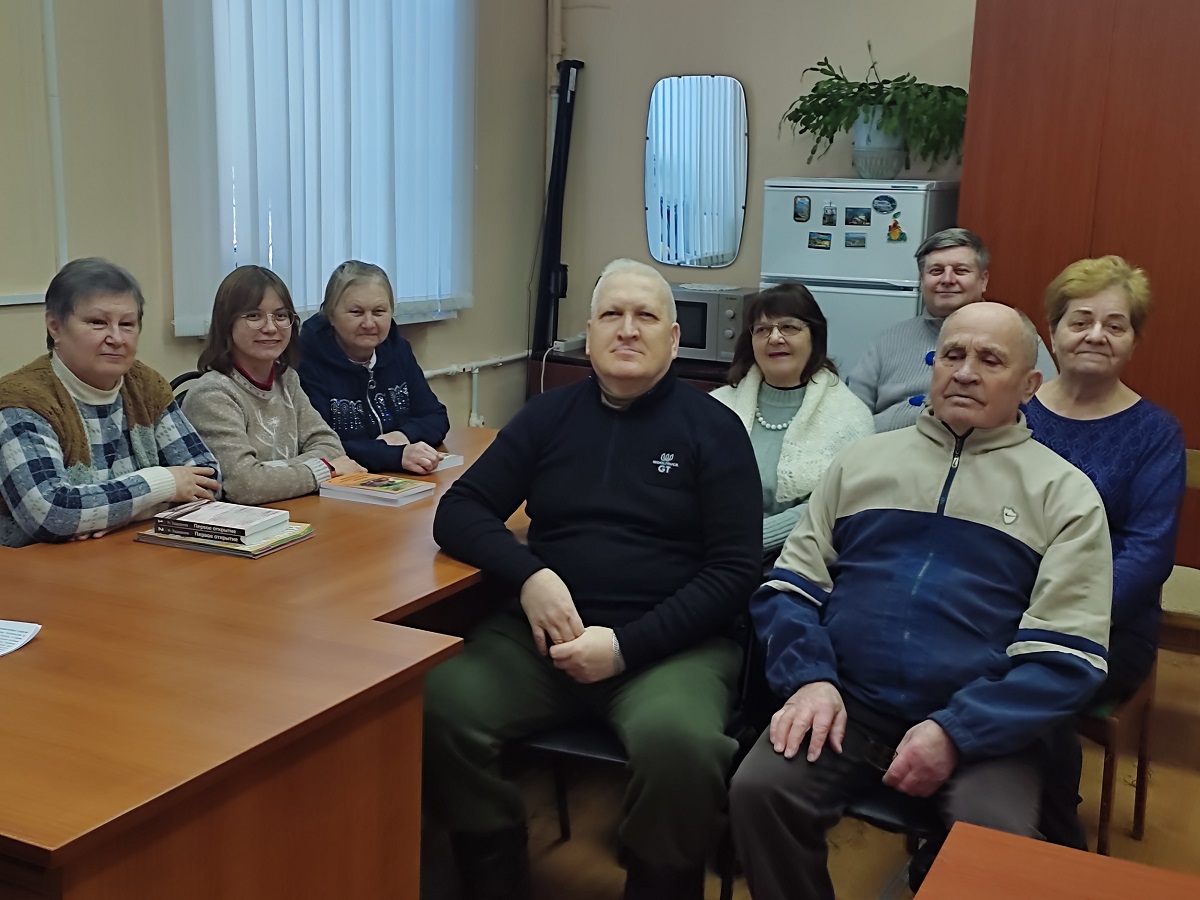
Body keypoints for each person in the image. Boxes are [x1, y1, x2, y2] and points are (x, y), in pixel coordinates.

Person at [729, 302, 1113, 900]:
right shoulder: (861, 463)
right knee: (759, 791)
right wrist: (810, 680)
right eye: (952, 355)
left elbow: (1068, 658)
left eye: (990, 360)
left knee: (995, 845)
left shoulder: (1064, 495)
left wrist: (955, 732)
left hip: (984, 728)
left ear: (1029, 385)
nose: (965, 372)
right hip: (847, 701)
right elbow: (789, 587)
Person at [425, 258, 761, 900]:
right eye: (612, 314)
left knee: (682, 746)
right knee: (438, 703)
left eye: (645, 316)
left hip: (671, 649)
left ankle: (660, 885)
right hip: (541, 640)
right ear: (589, 332)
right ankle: (493, 870)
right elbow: (459, 510)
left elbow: (735, 571)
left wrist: (626, 647)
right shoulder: (547, 417)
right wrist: (529, 576)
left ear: (674, 338)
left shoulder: (714, 429)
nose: (627, 330)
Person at [1026, 256, 1186, 848]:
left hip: (1107, 624)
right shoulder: (1015, 411)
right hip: (1004, 601)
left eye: (1115, 325)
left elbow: (1149, 555)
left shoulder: (1156, 433)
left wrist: (1055, 614)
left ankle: (1052, 838)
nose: (1096, 335)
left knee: (1031, 681)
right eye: (1080, 321)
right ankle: (975, 829)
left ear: (1133, 341)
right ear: (1052, 333)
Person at [0, 258, 220, 548]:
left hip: (129, 552)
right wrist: (162, 483)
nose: (116, 338)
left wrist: (104, 515)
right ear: (55, 327)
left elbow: (209, 477)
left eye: (127, 324)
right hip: (37, 567)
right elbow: (52, 514)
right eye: (97, 323)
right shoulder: (22, 400)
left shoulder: (145, 384)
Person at [711, 283, 873, 558]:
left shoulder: (850, 419)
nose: (775, 338)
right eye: (762, 330)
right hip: (704, 546)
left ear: (815, 336)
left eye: (789, 327)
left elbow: (831, 506)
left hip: (794, 559)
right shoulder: (716, 405)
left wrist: (746, 543)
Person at [183, 266, 365, 505]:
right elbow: (245, 485)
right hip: (244, 523)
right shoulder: (211, 395)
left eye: (280, 316)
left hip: (294, 508)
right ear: (226, 323)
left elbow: (331, 447)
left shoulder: (286, 379)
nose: (270, 327)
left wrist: (269, 473)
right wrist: (325, 470)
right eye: (253, 316)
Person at [847, 227, 1056, 431]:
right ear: (922, 280)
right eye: (936, 271)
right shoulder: (888, 340)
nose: (947, 280)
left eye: (960, 270)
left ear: (983, 280)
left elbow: (1044, 417)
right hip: (885, 446)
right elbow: (852, 414)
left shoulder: (1020, 340)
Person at [298, 260, 449, 475]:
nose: (369, 323)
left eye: (379, 311)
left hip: (402, 477)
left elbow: (436, 417)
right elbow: (323, 447)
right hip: (342, 483)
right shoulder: (306, 362)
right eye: (356, 312)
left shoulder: (398, 350)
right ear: (331, 315)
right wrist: (392, 455)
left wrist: (403, 435)